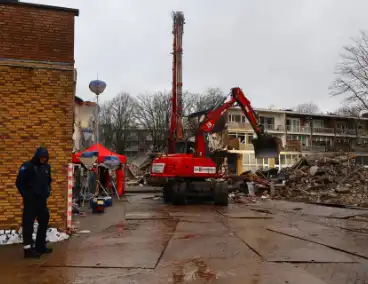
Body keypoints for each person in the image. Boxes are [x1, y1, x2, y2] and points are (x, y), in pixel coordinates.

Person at [15, 147, 53, 258]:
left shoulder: (46, 167)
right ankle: (28, 250)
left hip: (42, 201)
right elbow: (19, 183)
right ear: (37, 156)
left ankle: (40, 246)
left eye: (45, 158)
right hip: (30, 201)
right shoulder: (27, 166)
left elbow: (48, 181)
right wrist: (26, 195)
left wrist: (48, 191)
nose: (43, 159)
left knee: (44, 221)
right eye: (41, 157)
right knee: (28, 225)